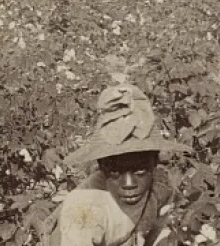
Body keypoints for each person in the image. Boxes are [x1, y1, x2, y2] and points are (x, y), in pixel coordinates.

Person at [40, 84, 191, 246]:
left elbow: (161, 232)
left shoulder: (161, 186)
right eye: (116, 173)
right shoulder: (85, 210)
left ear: (155, 162)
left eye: (140, 170)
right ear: (102, 165)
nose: (128, 184)